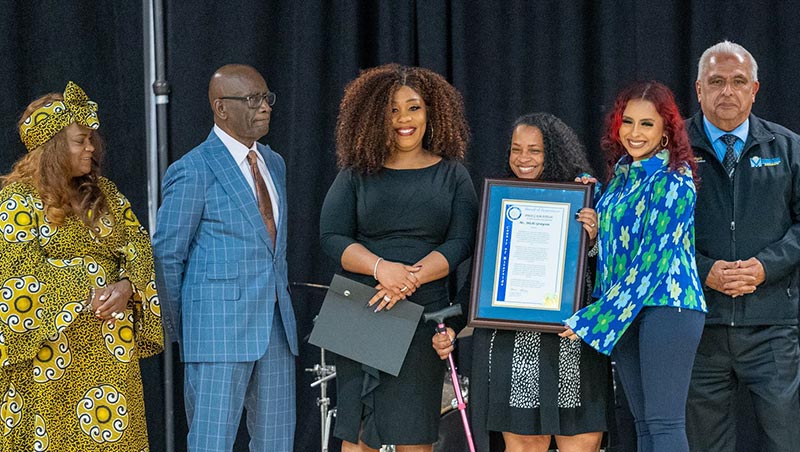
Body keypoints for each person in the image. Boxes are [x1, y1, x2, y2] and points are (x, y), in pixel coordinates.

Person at [319, 63, 477, 452]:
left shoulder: (453, 175)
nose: (403, 119)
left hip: (423, 315)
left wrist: (410, 279)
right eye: (392, 109)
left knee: (415, 436)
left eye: (413, 108)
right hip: (362, 307)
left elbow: (462, 242)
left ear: (431, 113)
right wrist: (381, 269)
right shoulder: (357, 173)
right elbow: (331, 236)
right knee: (357, 438)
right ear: (375, 115)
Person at [0, 81, 163, 450]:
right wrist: (92, 284)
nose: (91, 147)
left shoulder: (106, 194)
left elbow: (136, 247)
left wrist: (125, 288)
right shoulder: (16, 200)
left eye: (92, 139)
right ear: (54, 146)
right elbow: (17, 276)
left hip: (109, 355)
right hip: (51, 358)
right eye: (80, 140)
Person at [439, 113, 611, 452]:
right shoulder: (501, 202)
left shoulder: (587, 194)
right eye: (516, 149)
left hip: (572, 346)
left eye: (535, 150)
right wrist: (453, 325)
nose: (523, 159)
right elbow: (480, 280)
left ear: (555, 152)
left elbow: (615, 275)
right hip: (513, 348)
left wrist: (593, 240)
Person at [153, 64, 298, 452]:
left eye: (267, 98)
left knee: (277, 444)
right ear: (221, 108)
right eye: (253, 99)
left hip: (276, 332)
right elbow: (167, 255)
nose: (265, 107)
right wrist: (183, 328)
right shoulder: (193, 169)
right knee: (211, 445)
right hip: (215, 335)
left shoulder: (274, 163)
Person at [563, 81, 707, 452]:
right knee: (643, 426)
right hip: (625, 310)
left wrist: (593, 320)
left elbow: (651, 264)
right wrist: (594, 234)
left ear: (666, 130)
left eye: (646, 124)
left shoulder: (675, 180)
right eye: (628, 122)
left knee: (664, 425)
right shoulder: (621, 177)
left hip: (667, 308)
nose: (634, 133)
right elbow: (615, 252)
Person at [685, 41, 800, 451]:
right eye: (716, 82)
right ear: (699, 89)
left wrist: (766, 267)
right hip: (698, 326)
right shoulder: (672, 151)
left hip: (772, 326)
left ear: (755, 89)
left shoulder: (788, 149)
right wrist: (703, 270)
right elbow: (652, 235)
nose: (727, 92)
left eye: (738, 82)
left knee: (785, 441)